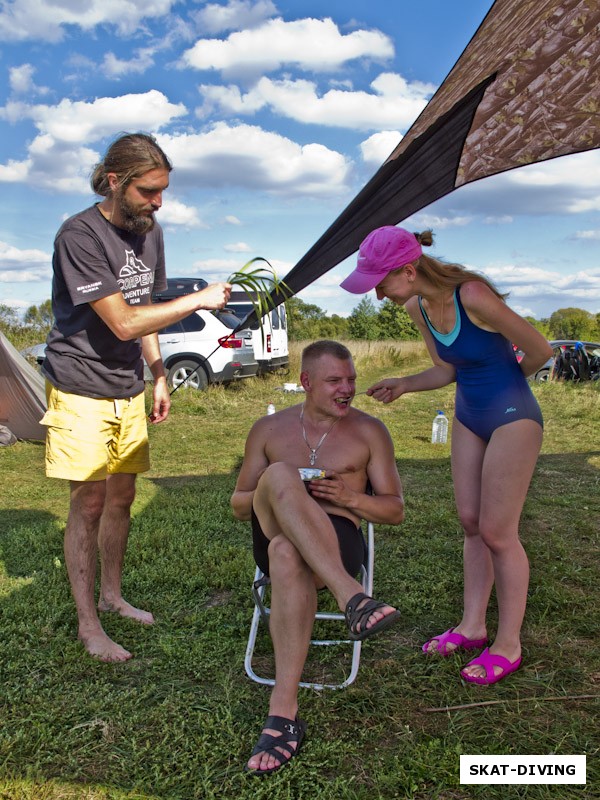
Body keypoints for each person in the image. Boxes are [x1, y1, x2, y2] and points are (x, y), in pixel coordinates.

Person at [41, 132, 232, 663]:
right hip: (79, 384)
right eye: (148, 191)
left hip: (129, 385)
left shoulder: (150, 232)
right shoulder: (78, 236)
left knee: (122, 498)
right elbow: (123, 321)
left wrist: (159, 371)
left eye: (162, 191)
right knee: (90, 501)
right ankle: (88, 624)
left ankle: (113, 595)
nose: (158, 202)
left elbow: (143, 302)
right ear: (113, 181)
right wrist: (198, 299)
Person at [341, 226, 553, 686]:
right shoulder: (417, 306)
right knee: (472, 522)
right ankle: (472, 625)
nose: (376, 295)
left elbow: (540, 350)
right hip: (468, 416)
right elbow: (446, 369)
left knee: (499, 532)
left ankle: (508, 644)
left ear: (409, 270)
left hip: (513, 415)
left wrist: (509, 384)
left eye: (380, 283)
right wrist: (404, 383)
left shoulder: (472, 295)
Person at [231, 340, 404, 775]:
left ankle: (282, 715)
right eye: (334, 381)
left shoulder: (370, 432)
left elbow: (394, 509)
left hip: (337, 535)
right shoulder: (268, 429)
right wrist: (284, 487)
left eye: (351, 380)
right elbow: (237, 504)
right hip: (271, 524)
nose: (347, 389)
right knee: (279, 474)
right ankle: (355, 599)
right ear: (306, 382)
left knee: (287, 553)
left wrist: (349, 496)